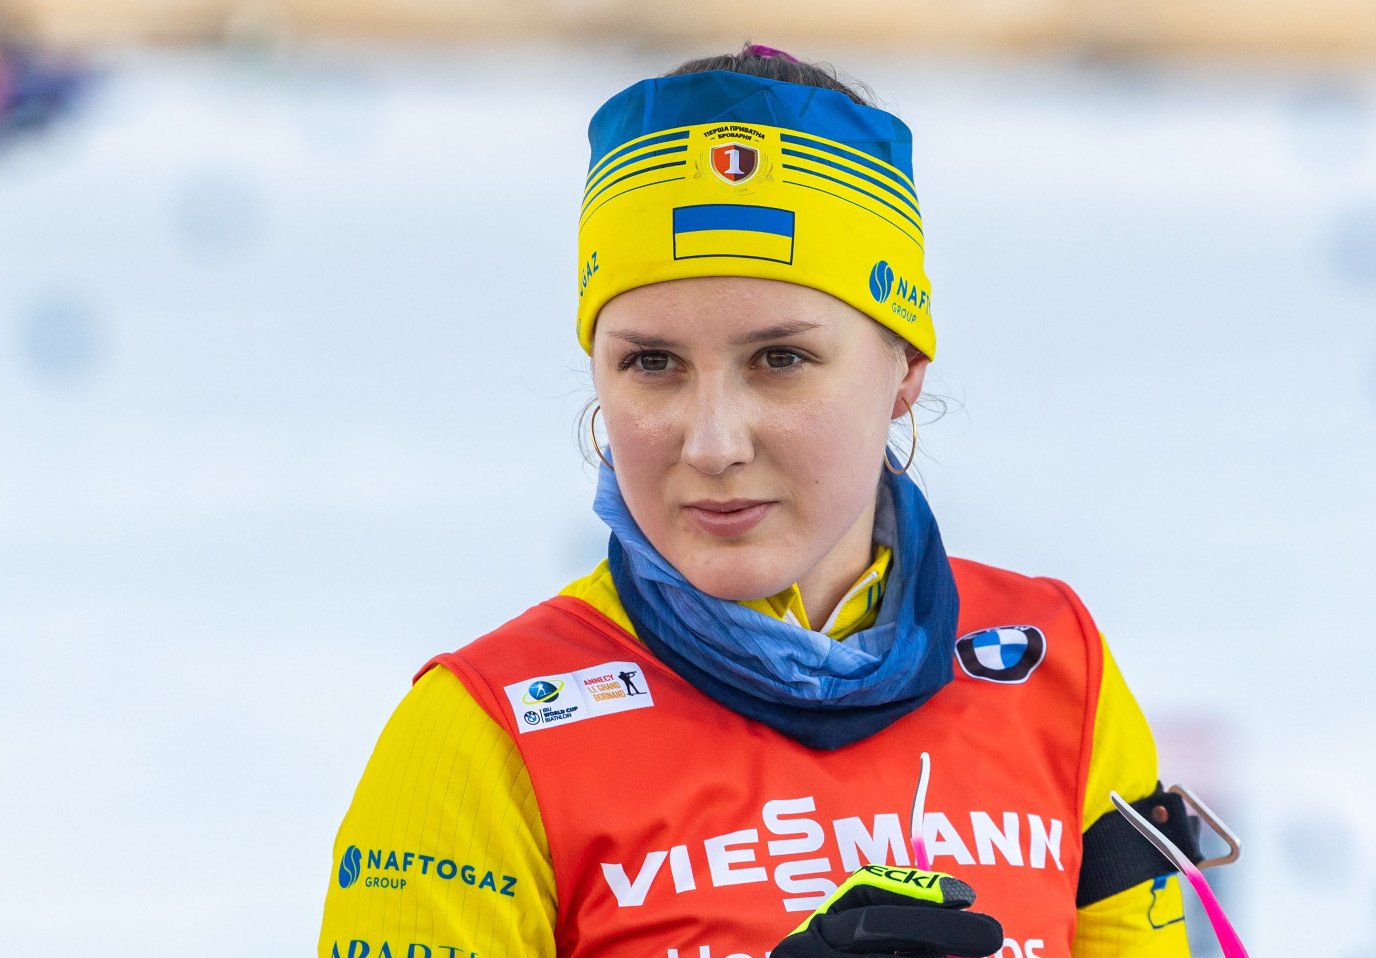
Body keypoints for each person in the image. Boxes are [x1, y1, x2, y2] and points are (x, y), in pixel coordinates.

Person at [319, 43, 1200, 958]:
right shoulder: (485, 731)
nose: (711, 444)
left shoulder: (1053, 668)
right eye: (650, 363)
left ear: (905, 367)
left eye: (780, 359)